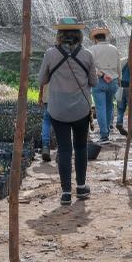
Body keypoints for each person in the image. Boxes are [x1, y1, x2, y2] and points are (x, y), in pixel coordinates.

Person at [37, 19, 97, 205]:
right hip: (80, 109)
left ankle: (65, 193)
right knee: (80, 147)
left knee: (64, 149)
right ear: (79, 35)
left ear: (59, 35)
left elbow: (42, 79)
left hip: (58, 110)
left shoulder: (50, 54)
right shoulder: (87, 55)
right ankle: (80, 187)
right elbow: (94, 82)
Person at [88, 26, 121, 143]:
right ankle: (107, 130)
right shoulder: (114, 49)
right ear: (104, 37)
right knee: (109, 106)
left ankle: (104, 135)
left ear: (95, 39)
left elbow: (91, 68)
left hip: (99, 80)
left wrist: (101, 74)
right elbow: (118, 67)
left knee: (100, 108)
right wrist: (118, 80)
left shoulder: (92, 50)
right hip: (113, 81)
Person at [116, 46, 132, 137]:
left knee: (120, 108)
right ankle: (131, 130)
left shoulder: (121, 60)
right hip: (131, 89)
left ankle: (119, 122)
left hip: (121, 87)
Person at [38, 83, 52, 162]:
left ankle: (45, 147)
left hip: (47, 95)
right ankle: (61, 152)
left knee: (46, 121)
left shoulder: (46, 69)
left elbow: (42, 79)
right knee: (60, 122)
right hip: (61, 96)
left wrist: (40, 94)